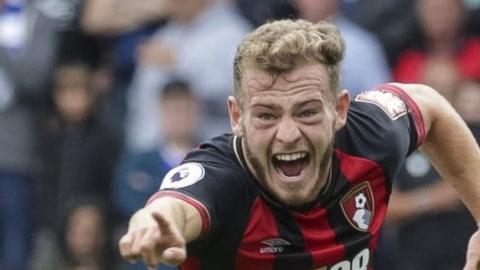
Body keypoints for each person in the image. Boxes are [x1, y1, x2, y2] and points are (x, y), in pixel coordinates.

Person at [118, 19, 480, 269]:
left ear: (339, 109)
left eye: (306, 112)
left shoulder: (370, 136)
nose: (287, 134)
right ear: (236, 117)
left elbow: (427, 103)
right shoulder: (222, 179)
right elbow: (176, 206)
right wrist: (156, 220)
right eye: (266, 115)